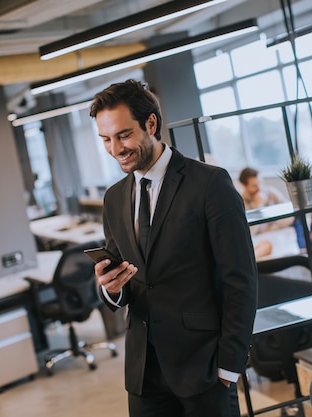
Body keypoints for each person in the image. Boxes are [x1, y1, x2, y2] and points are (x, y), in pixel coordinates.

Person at [89, 79, 257, 417]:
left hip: (204, 367)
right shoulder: (113, 198)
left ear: (151, 123)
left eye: (123, 135)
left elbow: (240, 280)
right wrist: (110, 289)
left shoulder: (211, 184)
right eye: (106, 140)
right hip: (144, 372)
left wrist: (229, 366)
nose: (115, 149)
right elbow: (126, 275)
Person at [238, 167, 294, 234]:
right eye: (254, 185)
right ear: (244, 186)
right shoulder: (241, 201)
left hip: (279, 233)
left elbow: (291, 213)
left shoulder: (271, 192)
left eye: (260, 183)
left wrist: (272, 228)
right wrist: (258, 207)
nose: (259, 187)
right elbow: (249, 231)